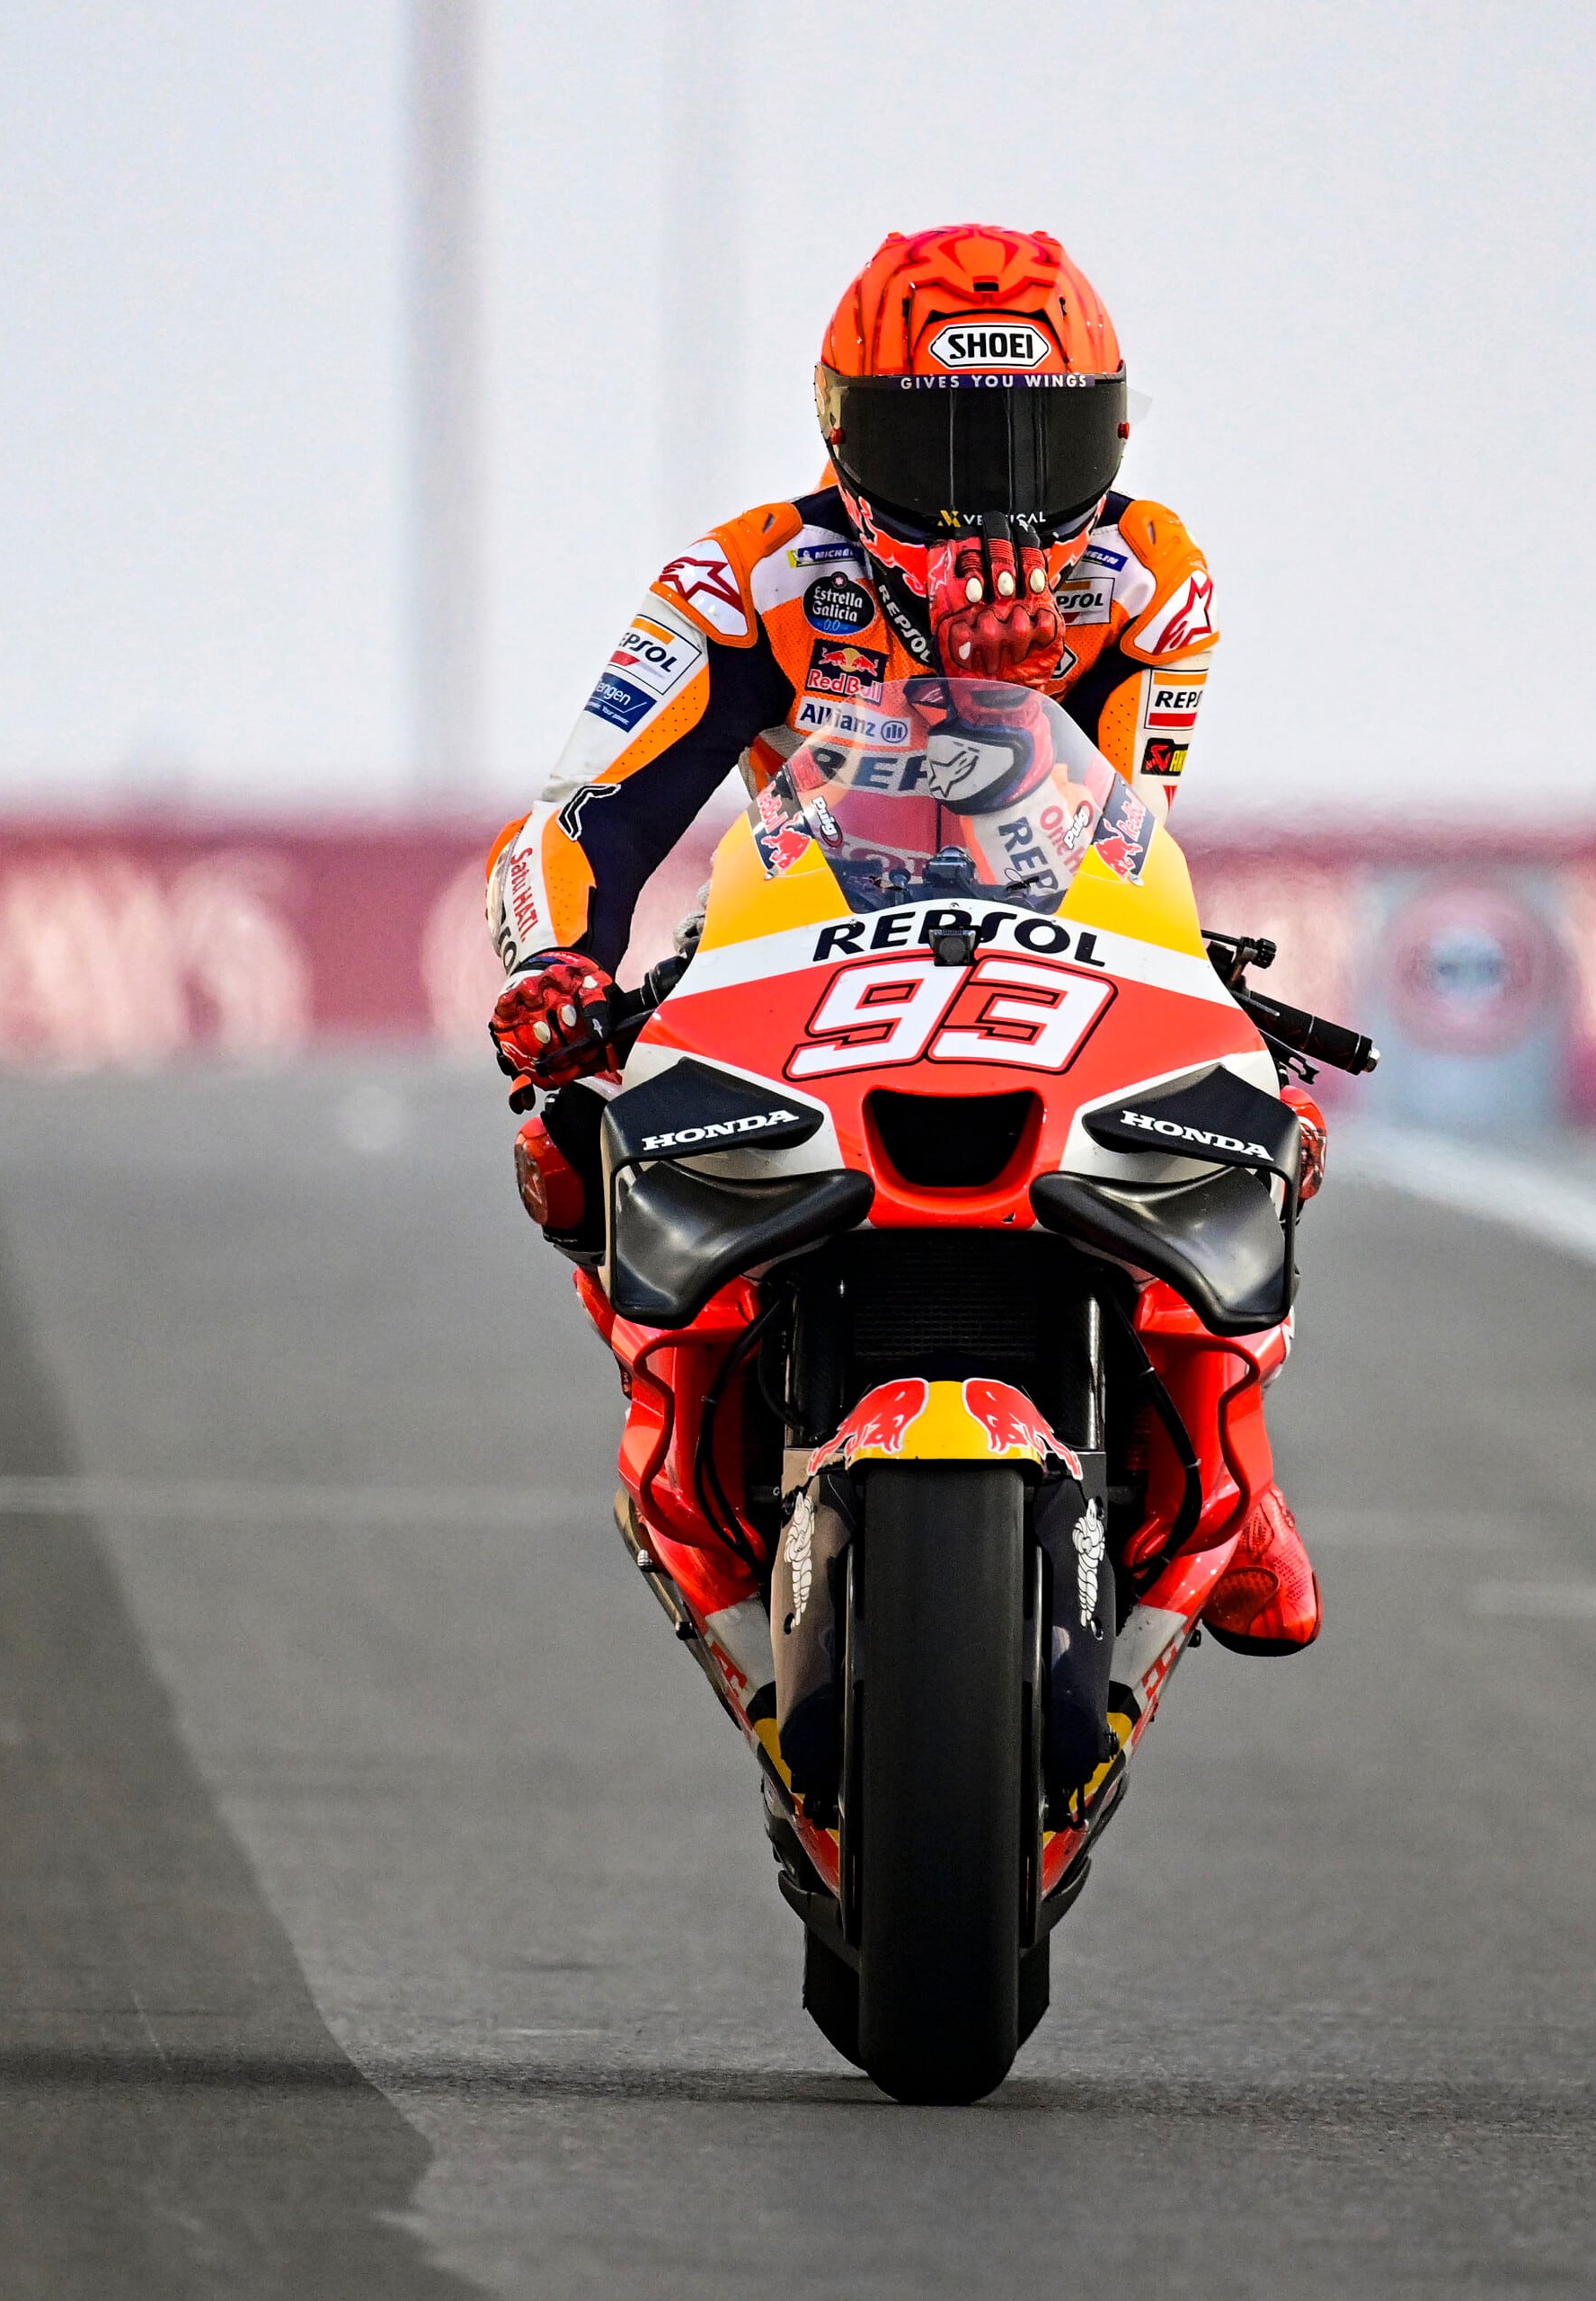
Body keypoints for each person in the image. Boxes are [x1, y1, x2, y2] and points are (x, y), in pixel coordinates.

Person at [482, 222, 1319, 1656]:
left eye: (1029, 450)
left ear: (1108, 439)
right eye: (933, 450)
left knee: (1268, 1117)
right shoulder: (741, 580)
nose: (984, 500)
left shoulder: (1149, 581)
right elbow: (586, 810)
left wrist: (1018, 677)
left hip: (1054, 946)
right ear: (839, 436)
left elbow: (1114, 837)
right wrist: (556, 963)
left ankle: (1224, 1458)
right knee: (572, 1143)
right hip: (794, 938)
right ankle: (677, 1408)